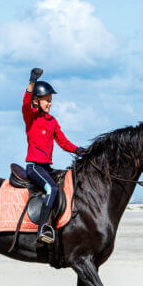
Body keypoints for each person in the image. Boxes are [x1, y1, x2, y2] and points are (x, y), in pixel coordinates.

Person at [22, 67, 86, 245]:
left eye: (51, 101)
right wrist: (32, 82)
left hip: (47, 167)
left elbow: (63, 142)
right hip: (34, 166)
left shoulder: (53, 122)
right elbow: (25, 103)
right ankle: (42, 228)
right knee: (52, 189)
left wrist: (79, 150)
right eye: (47, 100)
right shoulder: (31, 116)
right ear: (37, 101)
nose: (50, 103)